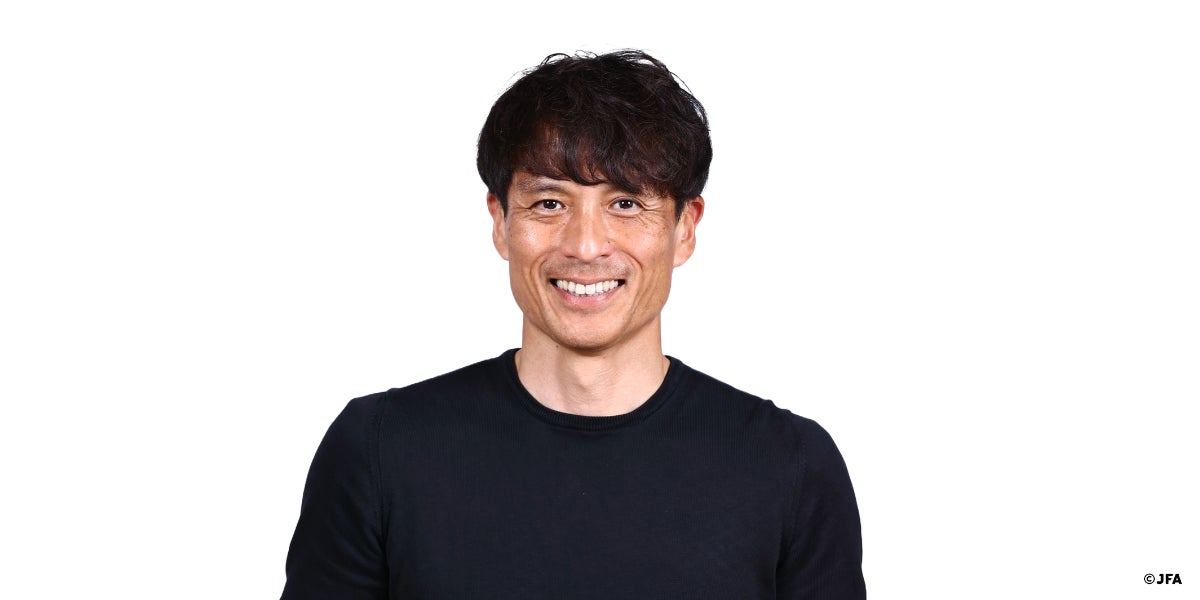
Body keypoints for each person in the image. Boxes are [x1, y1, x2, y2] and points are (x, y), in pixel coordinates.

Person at [281, 50, 865, 599]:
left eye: (626, 203)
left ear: (685, 228)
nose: (586, 246)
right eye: (549, 203)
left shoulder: (789, 466)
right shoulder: (380, 450)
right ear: (500, 223)